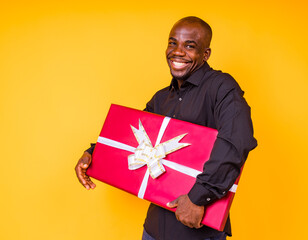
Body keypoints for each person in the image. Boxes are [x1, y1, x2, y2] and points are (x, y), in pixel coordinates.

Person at [75, 16, 257, 240]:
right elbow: (134, 141)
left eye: (189, 46)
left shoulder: (222, 88)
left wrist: (199, 197)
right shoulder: (161, 98)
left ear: (205, 54)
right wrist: (92, 154)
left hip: (198, 231)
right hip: (154, 228)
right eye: (173, 43)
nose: (178, 52)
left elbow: (237, 140)